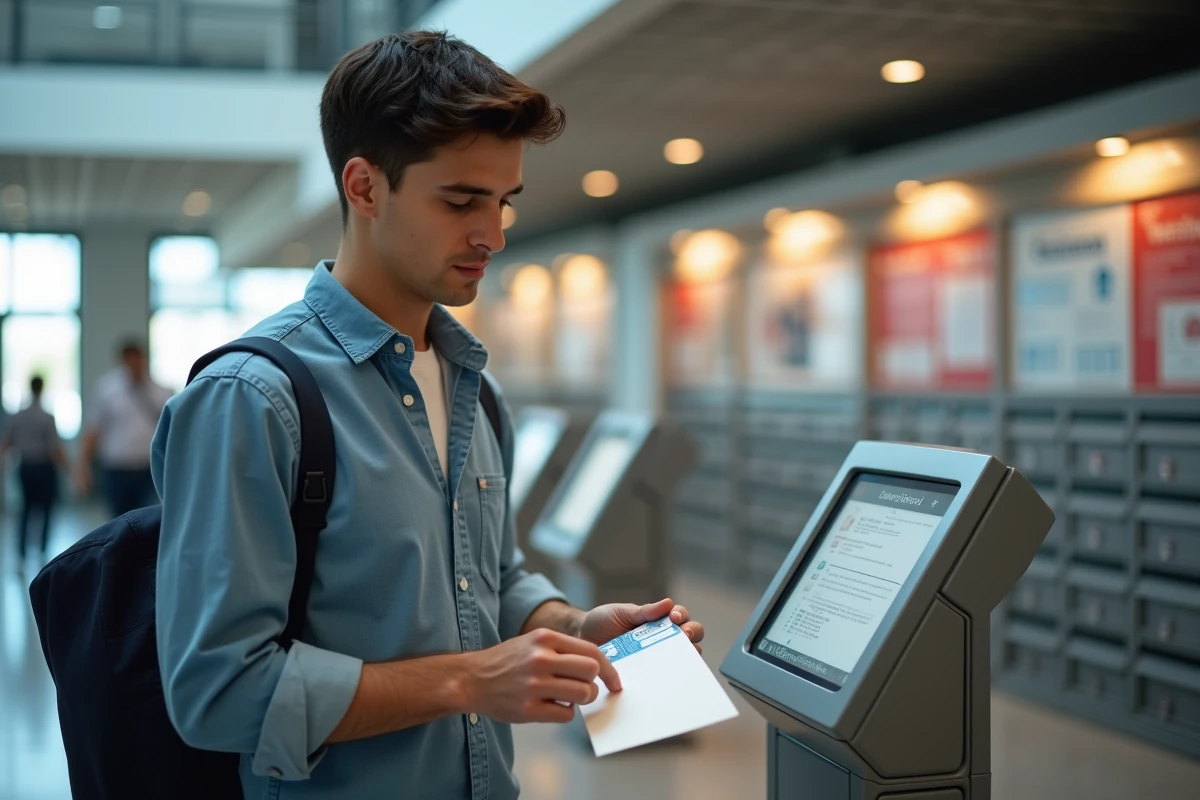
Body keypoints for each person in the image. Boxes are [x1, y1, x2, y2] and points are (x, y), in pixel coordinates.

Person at [152, 31, 705, 800]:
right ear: (364, 187)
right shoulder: (251, 399)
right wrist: (467, 681)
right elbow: (217, 692)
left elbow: (489, 580)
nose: (494, 235)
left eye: (504, 202)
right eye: (461, 201)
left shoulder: (473, 384)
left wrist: (571, 627)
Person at [76, 340, 172, 517]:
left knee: (149, 518)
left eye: (138, 359)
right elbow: (93, 429)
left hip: (149, 468)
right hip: (116, 467)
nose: (135, 364)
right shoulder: (107, 389)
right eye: (130, 360)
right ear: (122, 361)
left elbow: (171, 430)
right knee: (119, 519)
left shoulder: (160, 392)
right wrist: (83, 465)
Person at [2, 376, 68, 565]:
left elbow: (7, 442)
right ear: (42, 388)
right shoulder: (47, 417)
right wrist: (68, 468)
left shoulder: (18, 416)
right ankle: (42, 550)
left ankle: (21, 554)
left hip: (25, 467)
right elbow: (55, 447)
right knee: (46, 509)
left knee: (25, 509)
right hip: (44, 468)